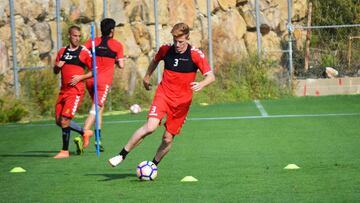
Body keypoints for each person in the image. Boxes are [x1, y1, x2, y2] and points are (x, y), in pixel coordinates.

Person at [108, 22, 215, 167]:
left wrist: (201, 84)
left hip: (181, 104)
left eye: (181, 41)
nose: (177, 44)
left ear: (188, 38)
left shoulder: (196, 55)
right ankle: (121, 155)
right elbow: (154, 60)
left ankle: (153, 165)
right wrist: (146, 77)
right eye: (175, 41)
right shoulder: (165, 49)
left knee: (167, 139)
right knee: (150, 127)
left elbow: (211, 76)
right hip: (163, 95)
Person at [82, 18, 125, 152]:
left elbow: (81, 53)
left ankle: (98, 140)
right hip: (103, 82)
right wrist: (117, 61)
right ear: (112, 30)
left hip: (90, 79)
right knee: (96, 107)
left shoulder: (92, 42)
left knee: (99, 108)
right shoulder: (117, 45)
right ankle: (84, 131)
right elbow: (121, 65)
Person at [53, 25, 93, 159]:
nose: (77, 38)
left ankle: (64, 151)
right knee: (59, 121)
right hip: (63, 91)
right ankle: (84, 132)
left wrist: (81, 77)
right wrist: (57, 67)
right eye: (75, 36)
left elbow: (95, 71)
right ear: (69, 36)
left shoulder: (84, 52)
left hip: (75, 92)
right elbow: (55, 71)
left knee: (65, 120)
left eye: (79, 36)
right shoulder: (62, 51)